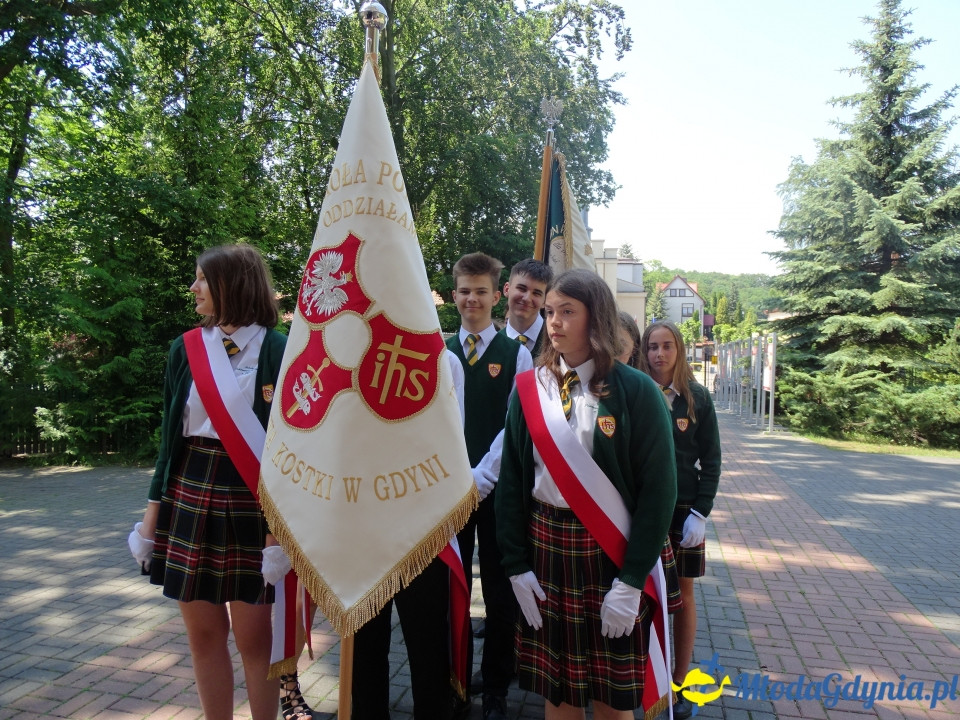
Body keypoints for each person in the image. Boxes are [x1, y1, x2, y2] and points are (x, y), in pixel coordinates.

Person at [126, 243, 300, 720]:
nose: (193, 287)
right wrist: (150, 518)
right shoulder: (184, 349)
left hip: (251, 498)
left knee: (254, 639)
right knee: (203, 635)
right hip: (189, 493)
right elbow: (169, 440)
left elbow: (291, 449)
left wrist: (276, 534)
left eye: (202, 278)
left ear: (232, 285)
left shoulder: (283, 350)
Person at [496, 269, 677, 720]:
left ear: (596, 316)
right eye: (550, 311)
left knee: (611, 701)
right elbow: (514, 480)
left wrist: (632, 580)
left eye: (567, 312)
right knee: (558, 695)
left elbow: (659, 492)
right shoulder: (529, 390)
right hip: (547, 550)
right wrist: (515, 565)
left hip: (609, 555)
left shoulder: (637, 392)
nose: (553, 321)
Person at [349, 349, 466, 720]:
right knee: (365, 645)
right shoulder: (350, 352)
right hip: (364, 523)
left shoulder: (443, 361)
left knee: (427, 641)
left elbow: (451, 441)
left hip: (421, 525)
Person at [446, 252, 533, 720]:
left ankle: (496, 686)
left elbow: (516, 421)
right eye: (464, 290)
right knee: (451, 586)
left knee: (499, 593)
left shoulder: (516, 353)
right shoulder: (438, 351)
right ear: (453, 294)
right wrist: (457, 475)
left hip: (497, 490)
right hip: (447, 490)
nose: (472, 299)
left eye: (481, 290)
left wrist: (482, 475)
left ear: (497, 295)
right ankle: (454, 680)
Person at [638, 320, 721, 720]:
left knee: (683, 597)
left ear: (680, 350)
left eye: (667, 346)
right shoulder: (634, 393)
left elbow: (713, 460)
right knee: (642, 594)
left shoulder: (697, 399)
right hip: (642, 513)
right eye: (652, 346)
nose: (659, 354)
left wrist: (701, 513)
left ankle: (679, 681)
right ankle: (645, 676)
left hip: (683, 514)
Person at [616, 311, 683, 616]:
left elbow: (659, 477)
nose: (612, 349)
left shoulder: (645, 393)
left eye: (620, 342)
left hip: (645, 518)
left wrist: (701, 509)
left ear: (633, 349)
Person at [500, 258, 553, 357]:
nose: (527, 298)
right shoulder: (490, 345)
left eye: (537, 293)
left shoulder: (556, 341)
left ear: (545, 301)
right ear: (507, 289)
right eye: (521, 288)